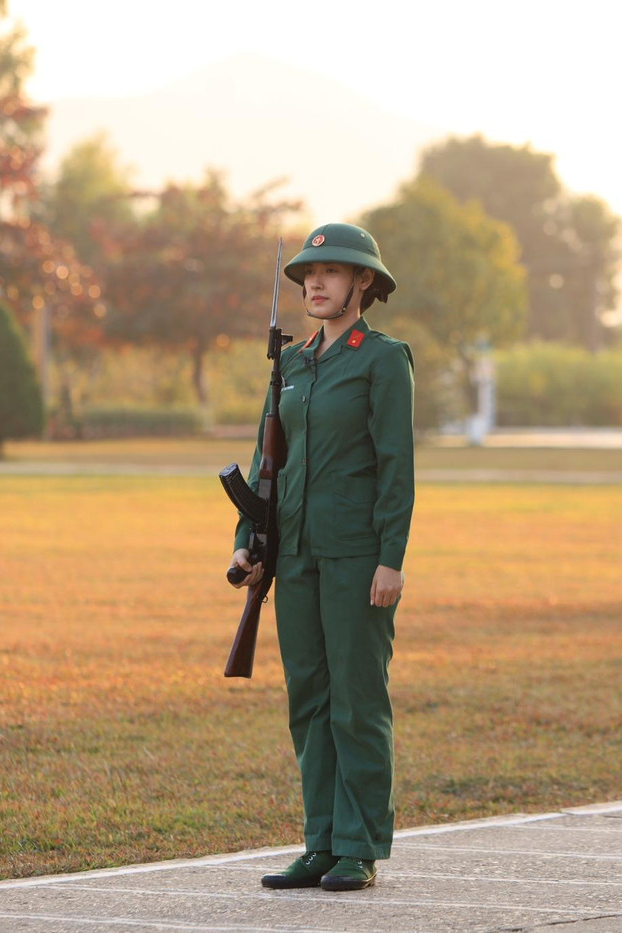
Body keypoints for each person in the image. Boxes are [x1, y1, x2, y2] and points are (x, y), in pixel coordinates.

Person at [229, 223, 414, 893]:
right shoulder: (292, 363)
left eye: (331, 272)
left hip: (357, 555)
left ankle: (358, 847)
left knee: (356, 700)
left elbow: (397, 465)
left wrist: (391, 557)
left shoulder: (382, 359)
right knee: (308, 697)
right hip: (296, 554)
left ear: (363, 281)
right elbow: (265, 461)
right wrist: (248, 540)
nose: (315, 283)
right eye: (308, 274)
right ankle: (320, 842)